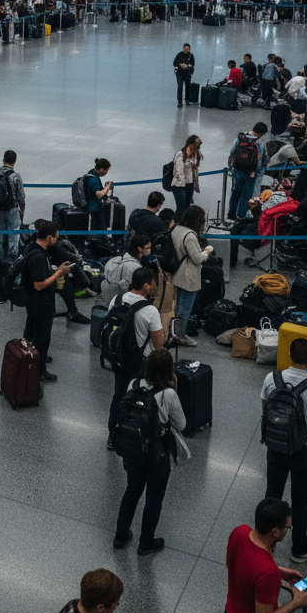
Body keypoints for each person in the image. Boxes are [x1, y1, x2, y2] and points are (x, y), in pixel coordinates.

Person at [260, 338, 307, 565]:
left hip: (275, 447)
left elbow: (266, 410)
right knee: (301, 501)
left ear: (289, 356)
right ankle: (299, 550)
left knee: (272, 493)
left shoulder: (272, 379)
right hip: (304, 451)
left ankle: (265, 544)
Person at [113, 348, 185, 556]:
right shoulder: (168, 394)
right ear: (169, 370)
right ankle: (146, 542)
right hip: (157, 454)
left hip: (133, 448)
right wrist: (175, 389)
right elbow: (181, 424)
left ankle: (121, 534)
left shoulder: (133, 385)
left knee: (132, 489)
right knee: (154, 497)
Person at [222, 498, 307, 613]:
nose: (287, 531)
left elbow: (236, 565)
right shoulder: (267, 572)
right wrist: (296, 602)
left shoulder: (239, 532)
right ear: (275, 532)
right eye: (287, 527)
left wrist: (279, 570)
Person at [106, 267, 167, 451]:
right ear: (147, 286)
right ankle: (139, 434)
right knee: (141, 398)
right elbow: (159, 345)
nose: (155, 286)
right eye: (153, 283)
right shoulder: (150, 311)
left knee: (119, 394)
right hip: (140, 362)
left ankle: (113, 435)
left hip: (118, 357)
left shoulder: (116, 300)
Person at [22, 220, 71, 383]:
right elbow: (38, 285)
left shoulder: (31, 248)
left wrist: (52, 270)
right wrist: (58, 274)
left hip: (32, 302)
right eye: (56, 237)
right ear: (49, 237)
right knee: (42, 337)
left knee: (30, 333)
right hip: (41, 303)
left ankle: (29, 357)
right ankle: (40, 370)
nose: (56, 240)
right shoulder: (38, 256)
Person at [170, 205, 211, 346]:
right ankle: (179, 335)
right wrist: (206, 251)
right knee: (185, 308)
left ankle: (173, 331)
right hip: (188, 276)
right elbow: (197, 258)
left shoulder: (176, 229)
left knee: (176, 305)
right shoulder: (191, 236)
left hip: (176, 273)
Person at [228, 124, 268, 219]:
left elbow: (232, 154)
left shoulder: (240, 138)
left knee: (235, 193)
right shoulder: (259, 143)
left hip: (237, 171)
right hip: (251, 173)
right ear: (262, 134)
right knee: (247, 195)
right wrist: (256, 171)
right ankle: (241, 215)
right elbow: (261, 160)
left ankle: (231, 215)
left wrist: (231, 169)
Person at [171, 135, 203, 218]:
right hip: (179, 185)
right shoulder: (180, 154)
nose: (196, 149)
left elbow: (195, 169)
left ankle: (184, 224)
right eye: (195, 146)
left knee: (187, 208)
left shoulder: (195, 154)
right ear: (190, 144)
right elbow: (178, 171)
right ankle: (176, 225)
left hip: (190, 184)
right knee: (181, 209)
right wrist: (183, 184)